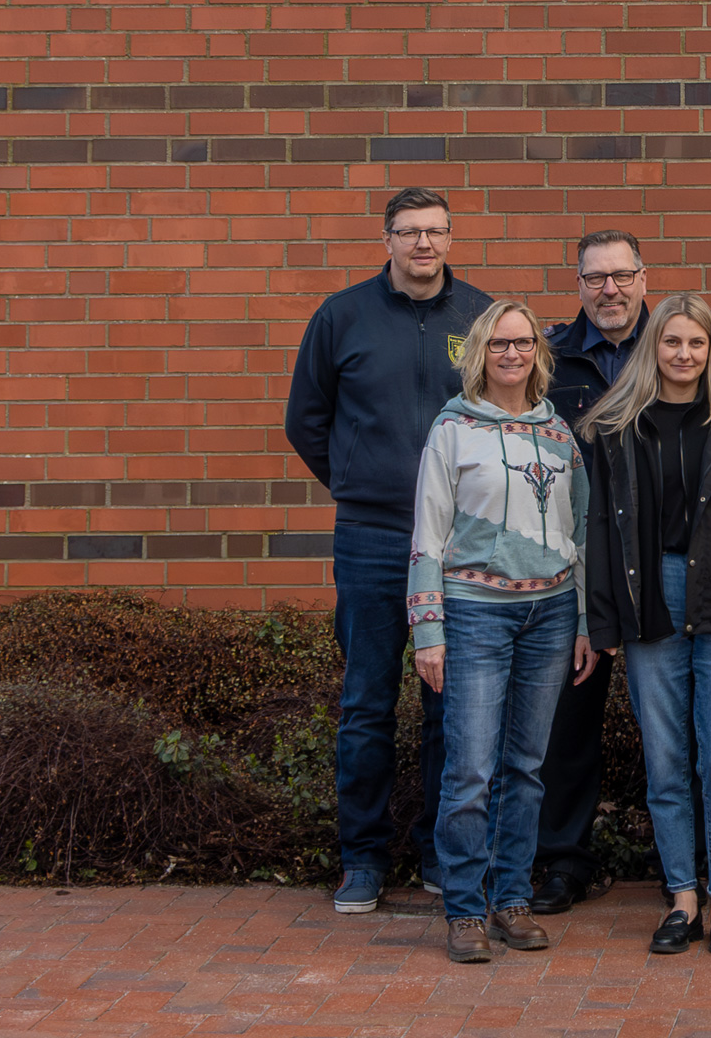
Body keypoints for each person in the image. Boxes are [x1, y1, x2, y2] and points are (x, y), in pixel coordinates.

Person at [281, 186, 491, 916]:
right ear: (388, 238)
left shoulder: (482, 317)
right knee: (368, 701)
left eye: (435, 231)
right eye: (409, 232)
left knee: (450, 705)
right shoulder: (343, 316)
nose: (423, 244)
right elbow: (305, 419)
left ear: (451, 238)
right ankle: (363, 860)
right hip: (373, 538)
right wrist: (354, 482)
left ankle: (440, 853)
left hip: (463, 539)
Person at [580, 292, 711, 959]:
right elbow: (599, 530)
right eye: (671, 342)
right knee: (666, 761)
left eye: (696, 344)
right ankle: (682, 898)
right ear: (654, 348)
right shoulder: (618, 425)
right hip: (652, 597)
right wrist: (604, 613)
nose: (683, 354)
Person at [409, 298, 598, 965]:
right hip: (474, 612)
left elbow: (579, 536)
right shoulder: (452, 429)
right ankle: (464, 908)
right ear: (478, 354)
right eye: (498, 344)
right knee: (470, 769)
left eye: (522, 344)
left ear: (539, 355)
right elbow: (428, 534)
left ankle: (512, 899)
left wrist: (580, 621)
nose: (511, 355)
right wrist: (428, 628)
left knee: (526, 768)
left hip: (549, 615)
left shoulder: (559, 435)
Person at [528, 230, 653, 916]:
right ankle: (564, 860)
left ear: (643, 277)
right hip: (574, 570)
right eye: (595, 278)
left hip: (660, 564)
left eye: (621, 275)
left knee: (674, 721)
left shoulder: (675, 347)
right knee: (568, 724)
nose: (609, 289)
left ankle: (685, 863)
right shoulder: (552, 357)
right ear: (578, 284)